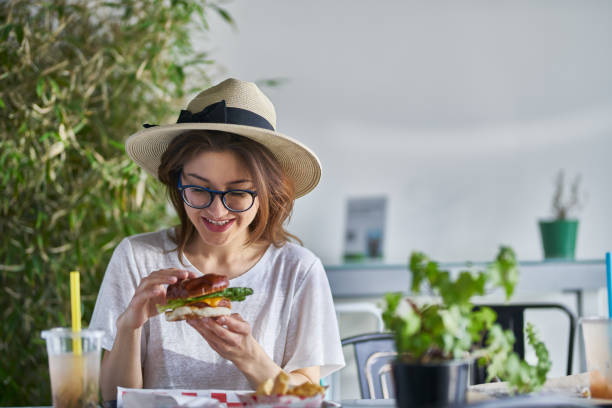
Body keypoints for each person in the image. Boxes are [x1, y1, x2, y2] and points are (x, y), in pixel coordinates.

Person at [89, 78, 345, 400]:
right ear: (177, 182)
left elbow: (308, 398)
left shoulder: (298, 270)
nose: (216, 210)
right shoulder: (137, 257)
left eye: (237, 192)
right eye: (198, 188)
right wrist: (129, 326)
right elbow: (113, 399)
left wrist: (249, 356)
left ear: (266, 193)